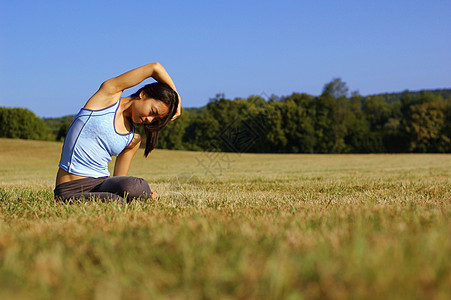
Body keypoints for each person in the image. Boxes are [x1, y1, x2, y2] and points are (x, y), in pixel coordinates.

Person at [54, 62, 180, 203]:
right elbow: (154, 68)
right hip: (70, 189)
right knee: (115, 201)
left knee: (134, 186)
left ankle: (144, 195)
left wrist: (136, 191)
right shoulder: (107, 96)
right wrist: (177, 99)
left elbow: (120, 180)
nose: (149, 119)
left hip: (102, 185)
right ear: (143, 94)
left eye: (155, 119)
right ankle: (140, 198)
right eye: (152, 112)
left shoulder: (133, 138)